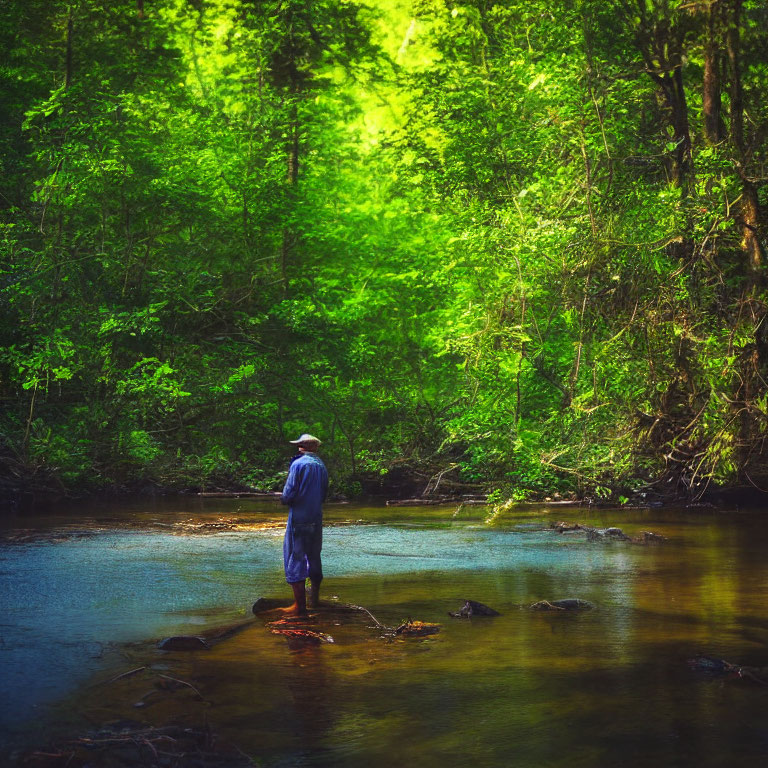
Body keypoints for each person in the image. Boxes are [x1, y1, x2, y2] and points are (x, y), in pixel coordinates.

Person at [279, 433, 328, 616]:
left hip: (299, 517)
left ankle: (299, 607)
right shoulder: (321, 466)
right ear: (315, 448)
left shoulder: (298, 464)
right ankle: (314, 600)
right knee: (314, 556)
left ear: (301, 447)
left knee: (295, 556)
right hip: (316, 516)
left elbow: (288, 494)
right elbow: (324, 493)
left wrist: (282, 500)